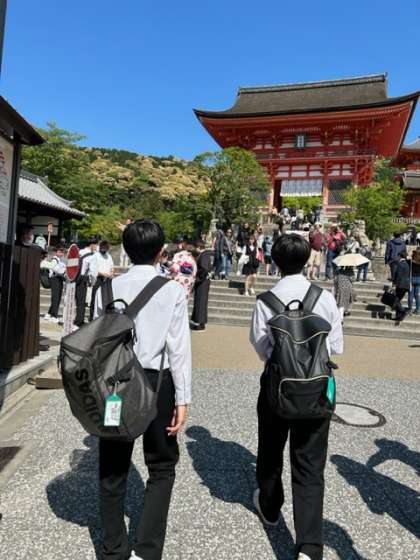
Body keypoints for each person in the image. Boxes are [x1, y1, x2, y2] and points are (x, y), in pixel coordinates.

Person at [94, 219, 191, 560]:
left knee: (112, 468)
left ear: (125, 249)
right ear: (162, 252)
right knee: (161, 466)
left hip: (114, 384)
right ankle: (147, 551)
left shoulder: (106, 290)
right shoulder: (172, 290)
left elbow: (97, 342)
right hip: (156, 382)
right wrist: (183, 399)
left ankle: (113, 549)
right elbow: (178, 350)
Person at [250, 234, 343, 560]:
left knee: (270, 449)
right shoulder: (325, 298)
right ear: (307, 260)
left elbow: (261, 346)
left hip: (277, 385)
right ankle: (309, 546)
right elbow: (336, 346)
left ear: (274, 261)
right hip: (317, 388)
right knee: (310, 464)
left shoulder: (266, 301)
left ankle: (270, 506)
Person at [75, 239, 98, 327]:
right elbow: (93, 272)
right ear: (91, 245)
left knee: (73, 299)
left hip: (73, 276)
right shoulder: (92, 256)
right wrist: (92, 282)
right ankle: (79, 321)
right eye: (96, 245)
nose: (96, 247)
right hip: (82, 279)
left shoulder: (79, 252)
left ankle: (70, 320)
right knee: (81, 301)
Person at [89, 240, 114, 321]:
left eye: (106, 249)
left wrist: (111, 273)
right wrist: (103, 274)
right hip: (98, 279)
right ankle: (92, 317)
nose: (104, 250)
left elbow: (111, 266)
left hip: (107, 279)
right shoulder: (95, 256)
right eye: (103, 249)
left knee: (106, 298)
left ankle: (103, 317)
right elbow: (93, 270)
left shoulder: (108, 256)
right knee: (95, 298)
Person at [191, 241, 212, 331]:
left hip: (202, 281)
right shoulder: (205, 255)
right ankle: (201, 322)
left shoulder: (204, 255)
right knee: (201, 302)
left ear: (199, 247)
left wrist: (198, 279)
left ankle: (200, 323)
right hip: (203, 281)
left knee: (200, 301)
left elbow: (204, 269)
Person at [44, 246, 66, 323]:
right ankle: (54, 316)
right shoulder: (54, 259)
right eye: (59, 252)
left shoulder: (61, 260)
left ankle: (49, 314)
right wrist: (64, 271)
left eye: (62, 252)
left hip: (59, 279)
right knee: (56, 298)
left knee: (57, 297)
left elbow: (63, 268)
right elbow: (58, 270)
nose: (61, 253)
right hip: (55, 279)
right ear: (55, 252)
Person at [393, 251, 410, 322]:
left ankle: (403, 311)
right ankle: (398, 316)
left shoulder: (400, 264)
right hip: (406, 285)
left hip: (400, 285)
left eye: (398, 256)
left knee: (395, 300)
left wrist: (394, 284)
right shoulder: (406, 264)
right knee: (397, 300)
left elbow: (399, 275)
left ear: (400, 256)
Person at [408, 249, 420, 315]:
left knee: (411, 295)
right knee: (417, 295)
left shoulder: (410, 262)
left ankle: (410, 309)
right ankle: (417, 309)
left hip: (411, 279)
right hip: (419, 280)